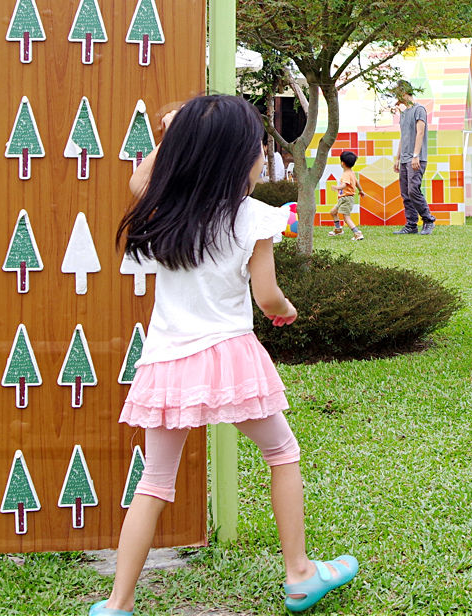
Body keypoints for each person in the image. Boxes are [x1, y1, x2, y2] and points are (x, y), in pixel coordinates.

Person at [95, 95, 357, 616]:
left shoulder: (163, 208)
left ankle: (117, 603)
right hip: (229, 359)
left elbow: (138, 181)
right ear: (239, 159)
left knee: (154, 482)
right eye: (258, 149)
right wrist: (287, 311)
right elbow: (268, 296)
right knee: (282, 452)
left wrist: (171, 137)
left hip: (168, 362)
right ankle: (300, 573)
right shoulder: (254, 218)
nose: (263, 157)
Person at [391, 82, 435, 235]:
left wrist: (415, 155)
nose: (396, 97)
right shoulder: (403, 114)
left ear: (404, 92)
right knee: (405, 193)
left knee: (413, 190)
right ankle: (411, 225)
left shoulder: (419, 110)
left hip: (416, 158)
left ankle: (428, 219)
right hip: (404, 159)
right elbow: (403, 137)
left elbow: (420, 133)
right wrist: (397, 158)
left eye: (397, 93)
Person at [328, 151, 365, 241]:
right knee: (333, 212)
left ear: (342, 163)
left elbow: (345, 184)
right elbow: (356, 182)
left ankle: (357, 233)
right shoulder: (351, 172)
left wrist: (337, 187)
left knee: (346, 217)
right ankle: (338, 229)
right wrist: (361, 191)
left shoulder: (346, 174)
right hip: (343, 199)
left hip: (346, 198)